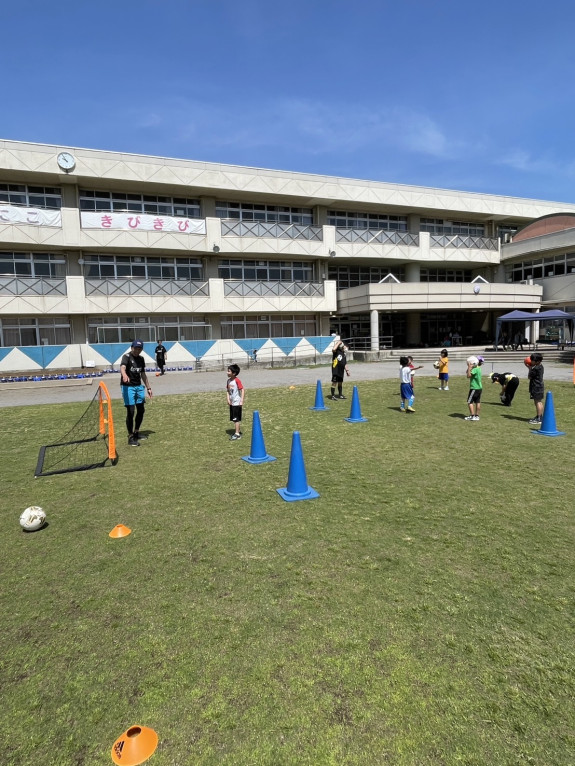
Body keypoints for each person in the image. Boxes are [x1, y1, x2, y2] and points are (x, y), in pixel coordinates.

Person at [120, 339, 152, 446]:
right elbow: (123, 367)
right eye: (136, 348)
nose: (137, 350)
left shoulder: (141, 359)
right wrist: (124, 375)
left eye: (140, 348)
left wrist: (148, 388)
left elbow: (143, 374)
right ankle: (130, 436)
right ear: (132, 348)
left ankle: (137, 432)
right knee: (131, 411)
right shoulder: (127, 357)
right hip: (128, 387)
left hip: (138, 387)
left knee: (141, 410)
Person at [226, 363, 245, 440]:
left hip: (237, 402)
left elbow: (242, 390)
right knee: (234, 419)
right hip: (232, 403)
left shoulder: (237, 380)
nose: (227, 372)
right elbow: (227, 391)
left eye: (229, 371)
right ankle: (238, 431)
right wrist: (228, 399)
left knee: (236, 419)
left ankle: (237, 434)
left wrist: (241, 400)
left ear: (234, 373)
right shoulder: (228, 381)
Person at [465, 355, 483, 421]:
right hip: (479, 388)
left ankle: (472, 415)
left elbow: (468, 375)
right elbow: (467, 372)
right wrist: (469, 368)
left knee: (470, 402)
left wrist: (470, 368)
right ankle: (477, 416)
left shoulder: (474, 370)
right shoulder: (478, 368)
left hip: (474, 388)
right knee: (477, 401)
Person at [528, 352, 544, 425]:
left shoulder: (536, 369)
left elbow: (529, 377)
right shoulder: (541, 366)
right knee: (538, 401)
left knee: (537, 402)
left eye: (532, 360)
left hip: (536, 387)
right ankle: (539, 416)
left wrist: (530, 368)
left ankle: (539, 418)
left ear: (537, 361)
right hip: (539, 386)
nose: (531, 361)